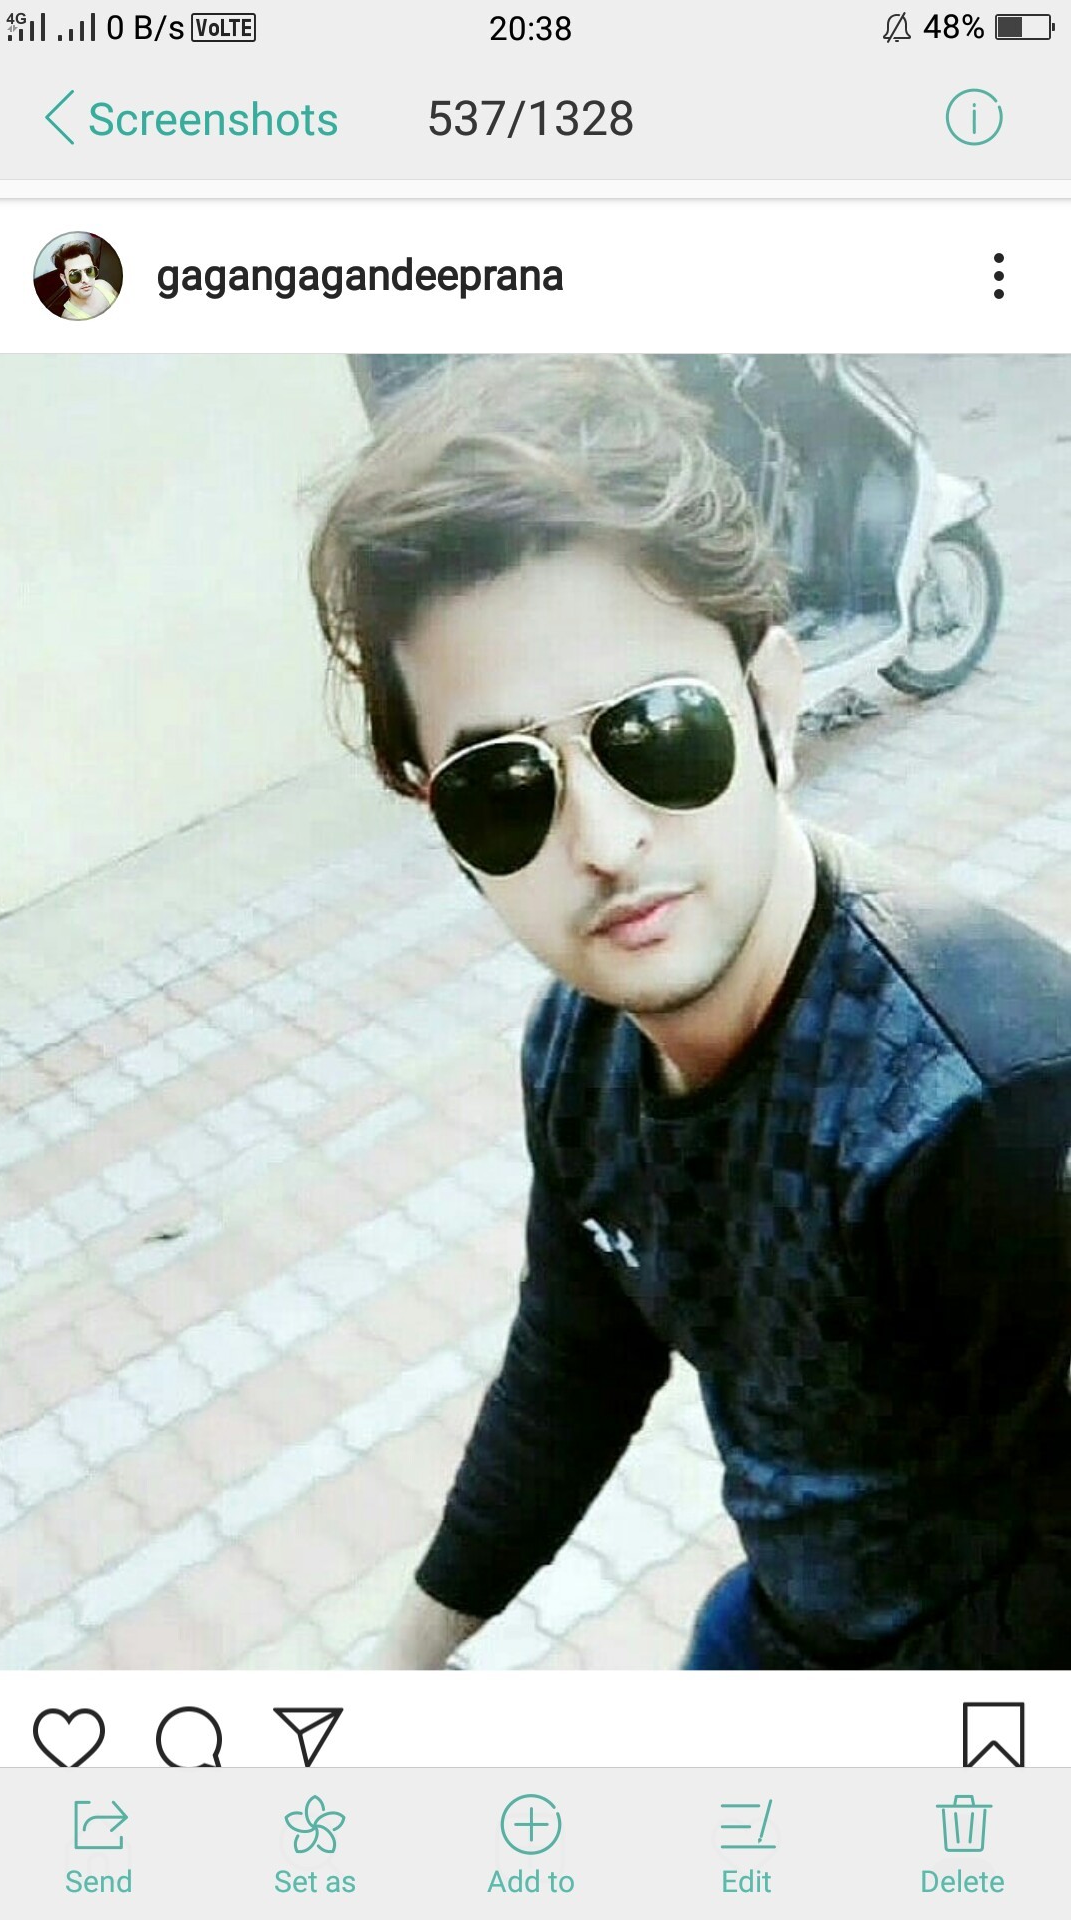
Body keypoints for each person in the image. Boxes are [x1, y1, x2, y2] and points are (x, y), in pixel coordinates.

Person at [310, 355, 1071, 1670]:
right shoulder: (580, 1048)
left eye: (656, 730)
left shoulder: (987, 1105)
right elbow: (578, 1354)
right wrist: (399, 1662)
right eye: (506, 786)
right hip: (785, 1614)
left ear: (771, 700)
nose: (605, 841)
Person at [53, 240, 118, 320]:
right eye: (75, 274)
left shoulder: (103, 285)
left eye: (89, 271)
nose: (86, 280)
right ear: (64, 279)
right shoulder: (71, 318)